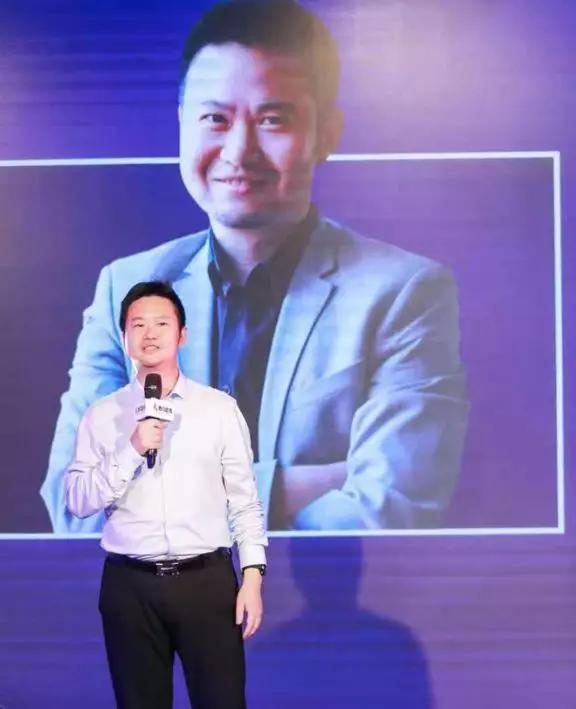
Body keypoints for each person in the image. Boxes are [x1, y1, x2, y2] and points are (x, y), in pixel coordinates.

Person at [41, 0, 468, 533]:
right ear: (182, 126)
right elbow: (75, 508)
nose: (239, 151)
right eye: (215, 120)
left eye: (272, 120)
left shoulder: (404, 293)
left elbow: (387, 510)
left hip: (310, 596)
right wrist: (303, 482)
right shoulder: (124, 289)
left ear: (327, 135)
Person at [66, 280, 267, 708]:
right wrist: (132, 448)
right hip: (130, 586)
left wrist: (252, 577)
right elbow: (78, 500)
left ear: (182, 334)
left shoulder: (217, 409)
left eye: (161, 323)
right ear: (125, 337)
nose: (150, 333)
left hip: (206, 582)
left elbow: (244, 500)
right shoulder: (102, 415)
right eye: (138, 324)